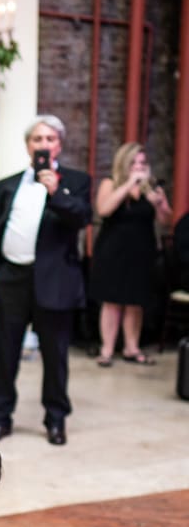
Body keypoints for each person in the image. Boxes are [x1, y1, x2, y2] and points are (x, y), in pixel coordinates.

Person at [0, 115, 92, 446]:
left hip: (54, 282)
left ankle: (55, 419)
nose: (43, 144)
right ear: (28, 145)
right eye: (37, 139)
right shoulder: (6, 184)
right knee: (3, 355)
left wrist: (55, 191)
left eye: (50, 139)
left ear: (59, 144)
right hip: (11, 278)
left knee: (55, 356)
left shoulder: (76, 180)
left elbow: (82, 218)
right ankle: (0, 418)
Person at [89, 142, 171, 365]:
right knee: (112, 301)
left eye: (143, 162)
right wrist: (128, 185)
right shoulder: (111, 183)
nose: (138, 166)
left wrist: (160, 204)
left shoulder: (152, 188)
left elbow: (166, 221)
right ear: (123, 163)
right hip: (113, 250)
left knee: (136, 301)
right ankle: (106, 350)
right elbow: (103, 209)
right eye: (134, 162)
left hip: (142, 250)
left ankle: (131, 348)